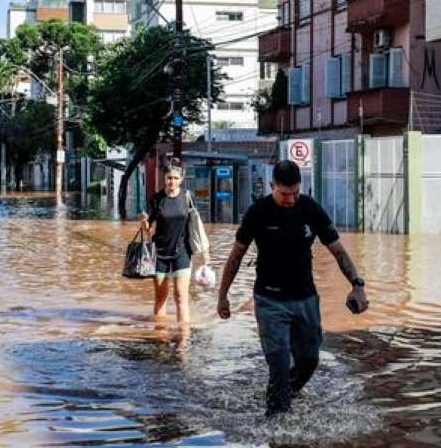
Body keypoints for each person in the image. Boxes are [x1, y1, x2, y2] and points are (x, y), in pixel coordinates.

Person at [216, 159, 369, 416]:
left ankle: (286, 392)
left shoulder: (310, 209)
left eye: (296, 193)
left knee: (309, 362)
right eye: (284, 194)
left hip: (305, 298)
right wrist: (223, 296)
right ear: (271, 185)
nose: (290, 199)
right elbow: (235, 256)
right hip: (269, 299)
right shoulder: (257, 213)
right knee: (278, 361)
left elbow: (338, 251)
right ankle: (278, 425)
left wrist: (357, 285)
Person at [139, 163, 206, 325]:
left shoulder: (188, 197)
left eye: (176, 178)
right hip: (159, 253)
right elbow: (149, 231)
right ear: (164, 179)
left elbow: (196, 225)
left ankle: (183, 338)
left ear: (181, 180)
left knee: (181, 296)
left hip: (182, 252)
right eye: (169, 178)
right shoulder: (156, 199)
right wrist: (144, 222)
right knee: (161, 298)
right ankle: (160, 338)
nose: (172, 182)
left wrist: (204, 250)